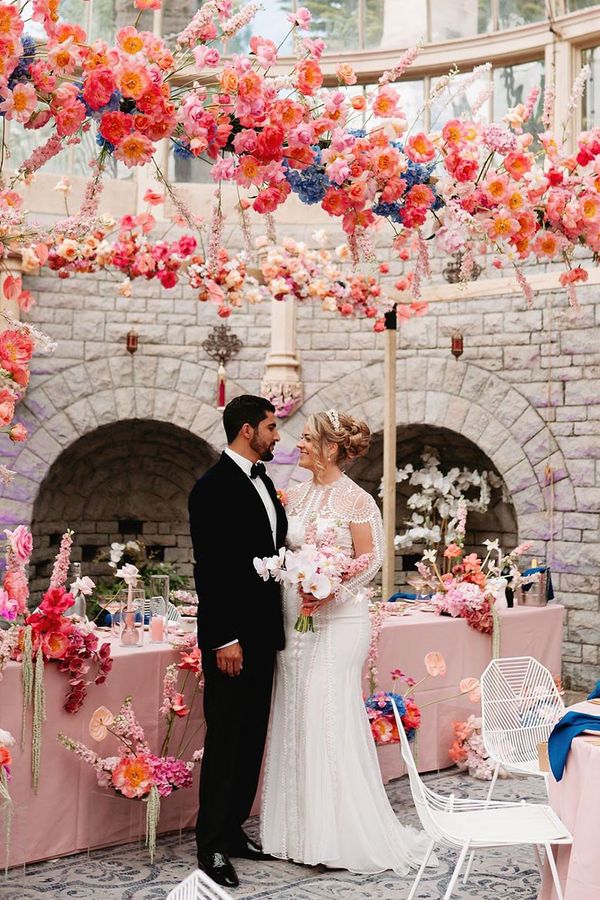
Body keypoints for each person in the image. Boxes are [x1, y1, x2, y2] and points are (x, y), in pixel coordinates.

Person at [261, 409, 433, 874]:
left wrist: (330, 588)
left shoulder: (357, 501)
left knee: (327, 715)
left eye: (308, 440)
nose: (299, 445)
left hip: (339, 622)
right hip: (295, 620)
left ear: (331, 449)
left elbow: (372, 561)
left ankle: (338, 837)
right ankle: (296, 833)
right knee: (297, 716)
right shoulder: (291, 496)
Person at [189, 395, 288, 887]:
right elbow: (212, 570)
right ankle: (210, 848)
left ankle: (232, 831)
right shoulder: (211, 488)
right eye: (271, 427)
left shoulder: (264, 480)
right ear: (247, 430)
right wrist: (223, 638)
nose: (277, 436)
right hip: (232, 639)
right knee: (226, 739)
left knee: (251, 738)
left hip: (265, 633)